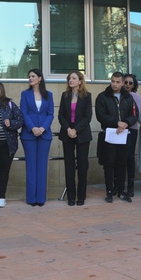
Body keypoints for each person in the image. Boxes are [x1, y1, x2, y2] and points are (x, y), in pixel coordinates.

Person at [95, 72, 137, 203]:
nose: (115, 84)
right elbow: (100, 115)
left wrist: (125, 123)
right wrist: (116, 123)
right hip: (110, 133)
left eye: (118, 82)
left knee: (121, 163)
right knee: (109, 163)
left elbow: (135, 114)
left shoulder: (129, 98)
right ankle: (109, 191)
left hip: (124, 134)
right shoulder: (102, 97)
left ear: (122, 83)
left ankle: (121, 191)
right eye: (113, 81)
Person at [20, 69, 55, 206]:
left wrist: (43, 128)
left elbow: (51, 114)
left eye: (33, 76)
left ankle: (41, 199)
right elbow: (24, 112)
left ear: (40, 78)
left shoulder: (49, 95)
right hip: (29, 134)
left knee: (42, 166)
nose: (30, 78)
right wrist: (33, 128)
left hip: (44, 134)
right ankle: (31, 199)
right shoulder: (25, 94)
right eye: (29, 76)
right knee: (31, 166)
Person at [58, 71, 93, 206]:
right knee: (69, 165)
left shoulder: (87, 96)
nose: (70, 80)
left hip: (82, 134)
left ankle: (81, 197)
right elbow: (61, 115)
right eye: (69, 78)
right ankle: (71, 197)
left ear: (80, 81)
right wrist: (68, 129)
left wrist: (76, 129)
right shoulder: (65, 95)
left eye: (74, 78)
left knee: (83, 166)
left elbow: (87, 117)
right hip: (67, 134)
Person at [122, 74, 141, 196]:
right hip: (118, 130)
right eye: (126, 82)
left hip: (131, 130)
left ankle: (130, 186)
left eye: (131, 83)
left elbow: (137, 115)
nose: (128, 85)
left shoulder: (135, 96)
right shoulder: (118, 95)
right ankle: (118, 185)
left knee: (129, 158)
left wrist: (126, 124)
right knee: (119, 158)